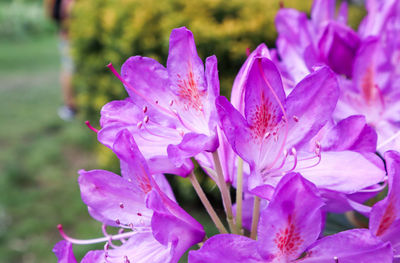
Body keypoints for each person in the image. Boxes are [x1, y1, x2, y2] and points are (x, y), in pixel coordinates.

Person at [44, 0, 76, 121]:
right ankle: (70, 105)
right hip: (69, 35)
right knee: (69, 69)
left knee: (68, 69)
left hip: (65, 34)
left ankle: (71, 104)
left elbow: (51, 14)